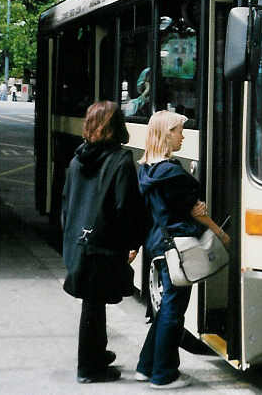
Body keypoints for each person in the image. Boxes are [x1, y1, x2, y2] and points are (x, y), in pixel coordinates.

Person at [136, 110, 229, 389]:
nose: (183, 135)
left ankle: (146, 365)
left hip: (159, 244)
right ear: (166, 134)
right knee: (174, 310)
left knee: (166, 308)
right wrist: (220, 233)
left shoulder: (147, 169)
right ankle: (163, 375)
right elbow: (196, 211)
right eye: (178, 130)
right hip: (180, 247)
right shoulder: (174, 173)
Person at [61, 101, 146, 384]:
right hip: (105, 244)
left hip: (79, 241)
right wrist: (133, 243)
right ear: (116, 126)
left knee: (92, 302)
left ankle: (97, 354)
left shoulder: (76, 159)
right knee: (94, 306)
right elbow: (126, 207)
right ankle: (89, 367)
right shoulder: (120, 161)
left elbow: (66, 203)